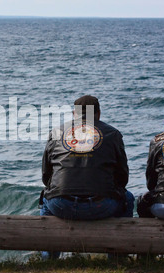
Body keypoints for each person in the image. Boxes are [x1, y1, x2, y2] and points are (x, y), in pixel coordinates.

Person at [40, 95, 134, 259]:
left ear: (74, 114)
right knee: (128, 198)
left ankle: (48, 259)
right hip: (102, 205)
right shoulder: (113, 133)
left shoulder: (56, 133)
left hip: (61, 204)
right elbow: (123, 177)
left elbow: (46, 175)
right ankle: (117, 259)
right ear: (98, 113)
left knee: (46, 200)